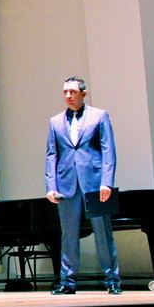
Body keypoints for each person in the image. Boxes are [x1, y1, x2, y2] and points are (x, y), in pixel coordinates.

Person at [45, 76, 121, 295]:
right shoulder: (55, 121)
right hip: (66, 184)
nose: (68, 96)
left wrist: (107, 182)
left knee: (103, 233)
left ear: (83, 94)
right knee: (68, 235)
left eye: (73, 92)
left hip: (96, 184)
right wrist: (51, 185)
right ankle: (67, 282)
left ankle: (112, 280)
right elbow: (51, 155)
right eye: (65, 92)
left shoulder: (99, 116)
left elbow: (108, 150)